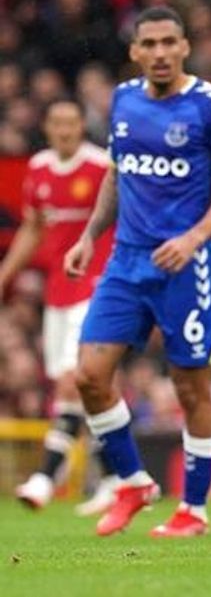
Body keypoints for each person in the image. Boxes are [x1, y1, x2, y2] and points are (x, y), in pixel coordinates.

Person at [64, 5, 211, 538]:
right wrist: (88, 235)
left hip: (185, 266)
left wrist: (193, 237)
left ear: (185, 46)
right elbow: (117, 175)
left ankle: (193, 509)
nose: (161, 53)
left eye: (171, 42)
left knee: (191, 389)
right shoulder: (123, 101)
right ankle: (134, 482)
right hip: (125, 261)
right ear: (135, 51)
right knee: (88, 376)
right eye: (151, 44)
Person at [2, 98, 118, 515]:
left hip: (96, 286)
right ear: (48, 128)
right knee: (80, 389)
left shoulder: (102, 166)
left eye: (72, 123)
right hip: (58, 292)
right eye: (57, 124)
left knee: (74, 380)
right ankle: (114, 478)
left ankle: (43, 478)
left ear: (81, 126)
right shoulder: (38, 169)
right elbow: (32, 230)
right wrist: (4, 275)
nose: (66, 130)